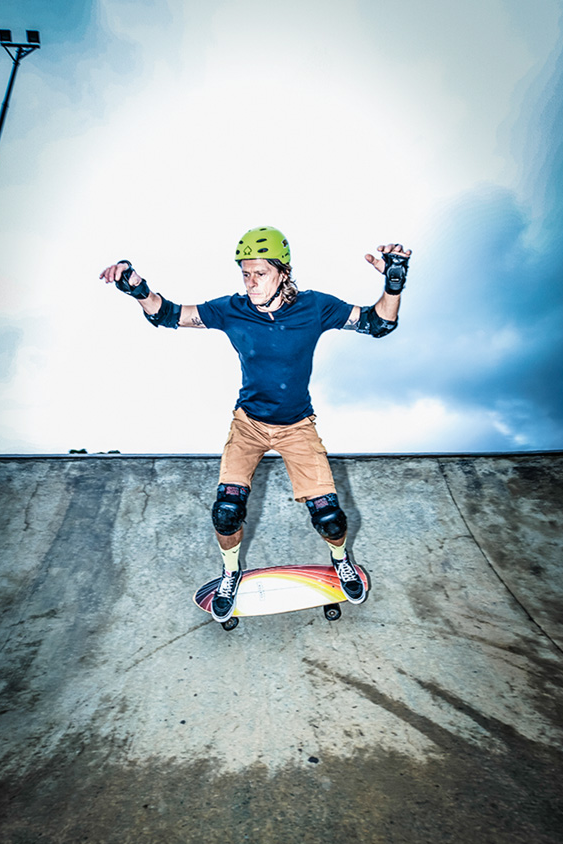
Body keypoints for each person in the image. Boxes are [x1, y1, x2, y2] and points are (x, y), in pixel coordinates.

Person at [100, 226, 411, 622]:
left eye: (259, 274)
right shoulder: (232, 309)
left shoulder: (315, 307)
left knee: (330, 516)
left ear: (283, 272)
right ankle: (231, 573)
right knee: (226, 510)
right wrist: (137, 286)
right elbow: (168, 314)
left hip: (297, 425)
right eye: (244, 274)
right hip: (247, 424)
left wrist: (394, 282)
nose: (250, 283)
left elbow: (379, 323)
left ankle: (340, 559)